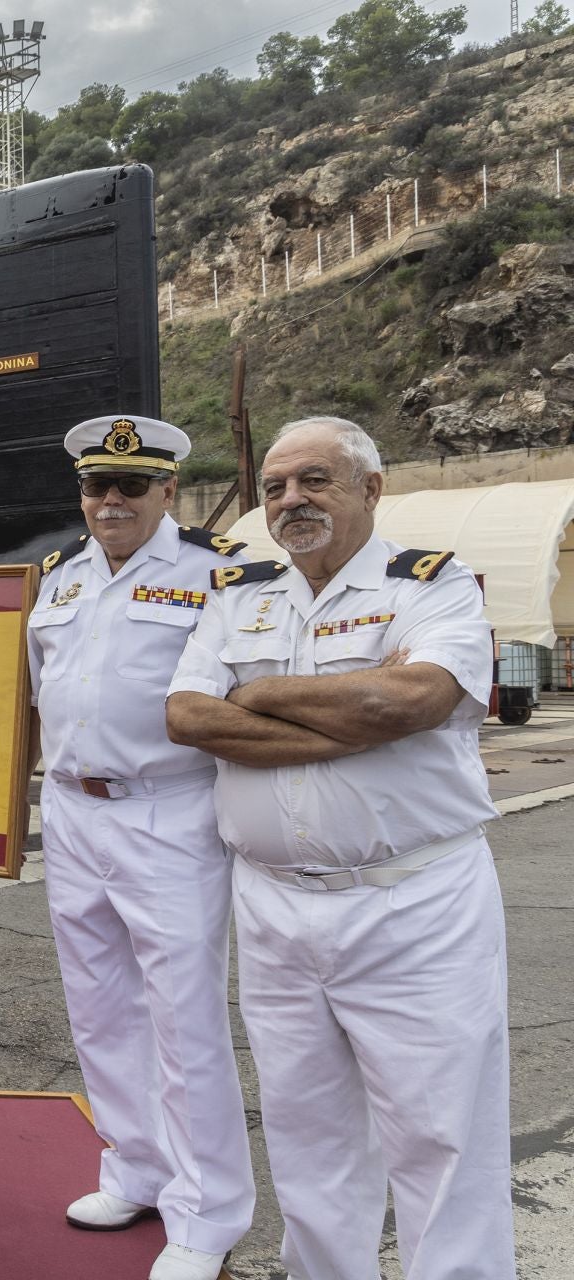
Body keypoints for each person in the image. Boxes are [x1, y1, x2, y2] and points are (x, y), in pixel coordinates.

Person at [167, 416, 514, 1279]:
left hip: (412, 902)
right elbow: (186, 717)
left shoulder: (431, 586)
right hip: (277, 904)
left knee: (442, 1134)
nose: (291, 501)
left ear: (371, 489)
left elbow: (412, 702)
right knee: (305, 1126)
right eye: (277, 487)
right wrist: (347, 711)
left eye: (315, 480)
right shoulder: (238, 592)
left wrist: (264, 696)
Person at [27, 415, 255, 1280]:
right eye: (96, 485)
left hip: (169, 810)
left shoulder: (218, 574)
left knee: (184, 1016)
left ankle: (208, 1212)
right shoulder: (58, 579)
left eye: (130, 484)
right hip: (73, 810)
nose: (110, 500)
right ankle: (135, 1169)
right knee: (99, 1005)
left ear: (168, 490)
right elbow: (29, 696)